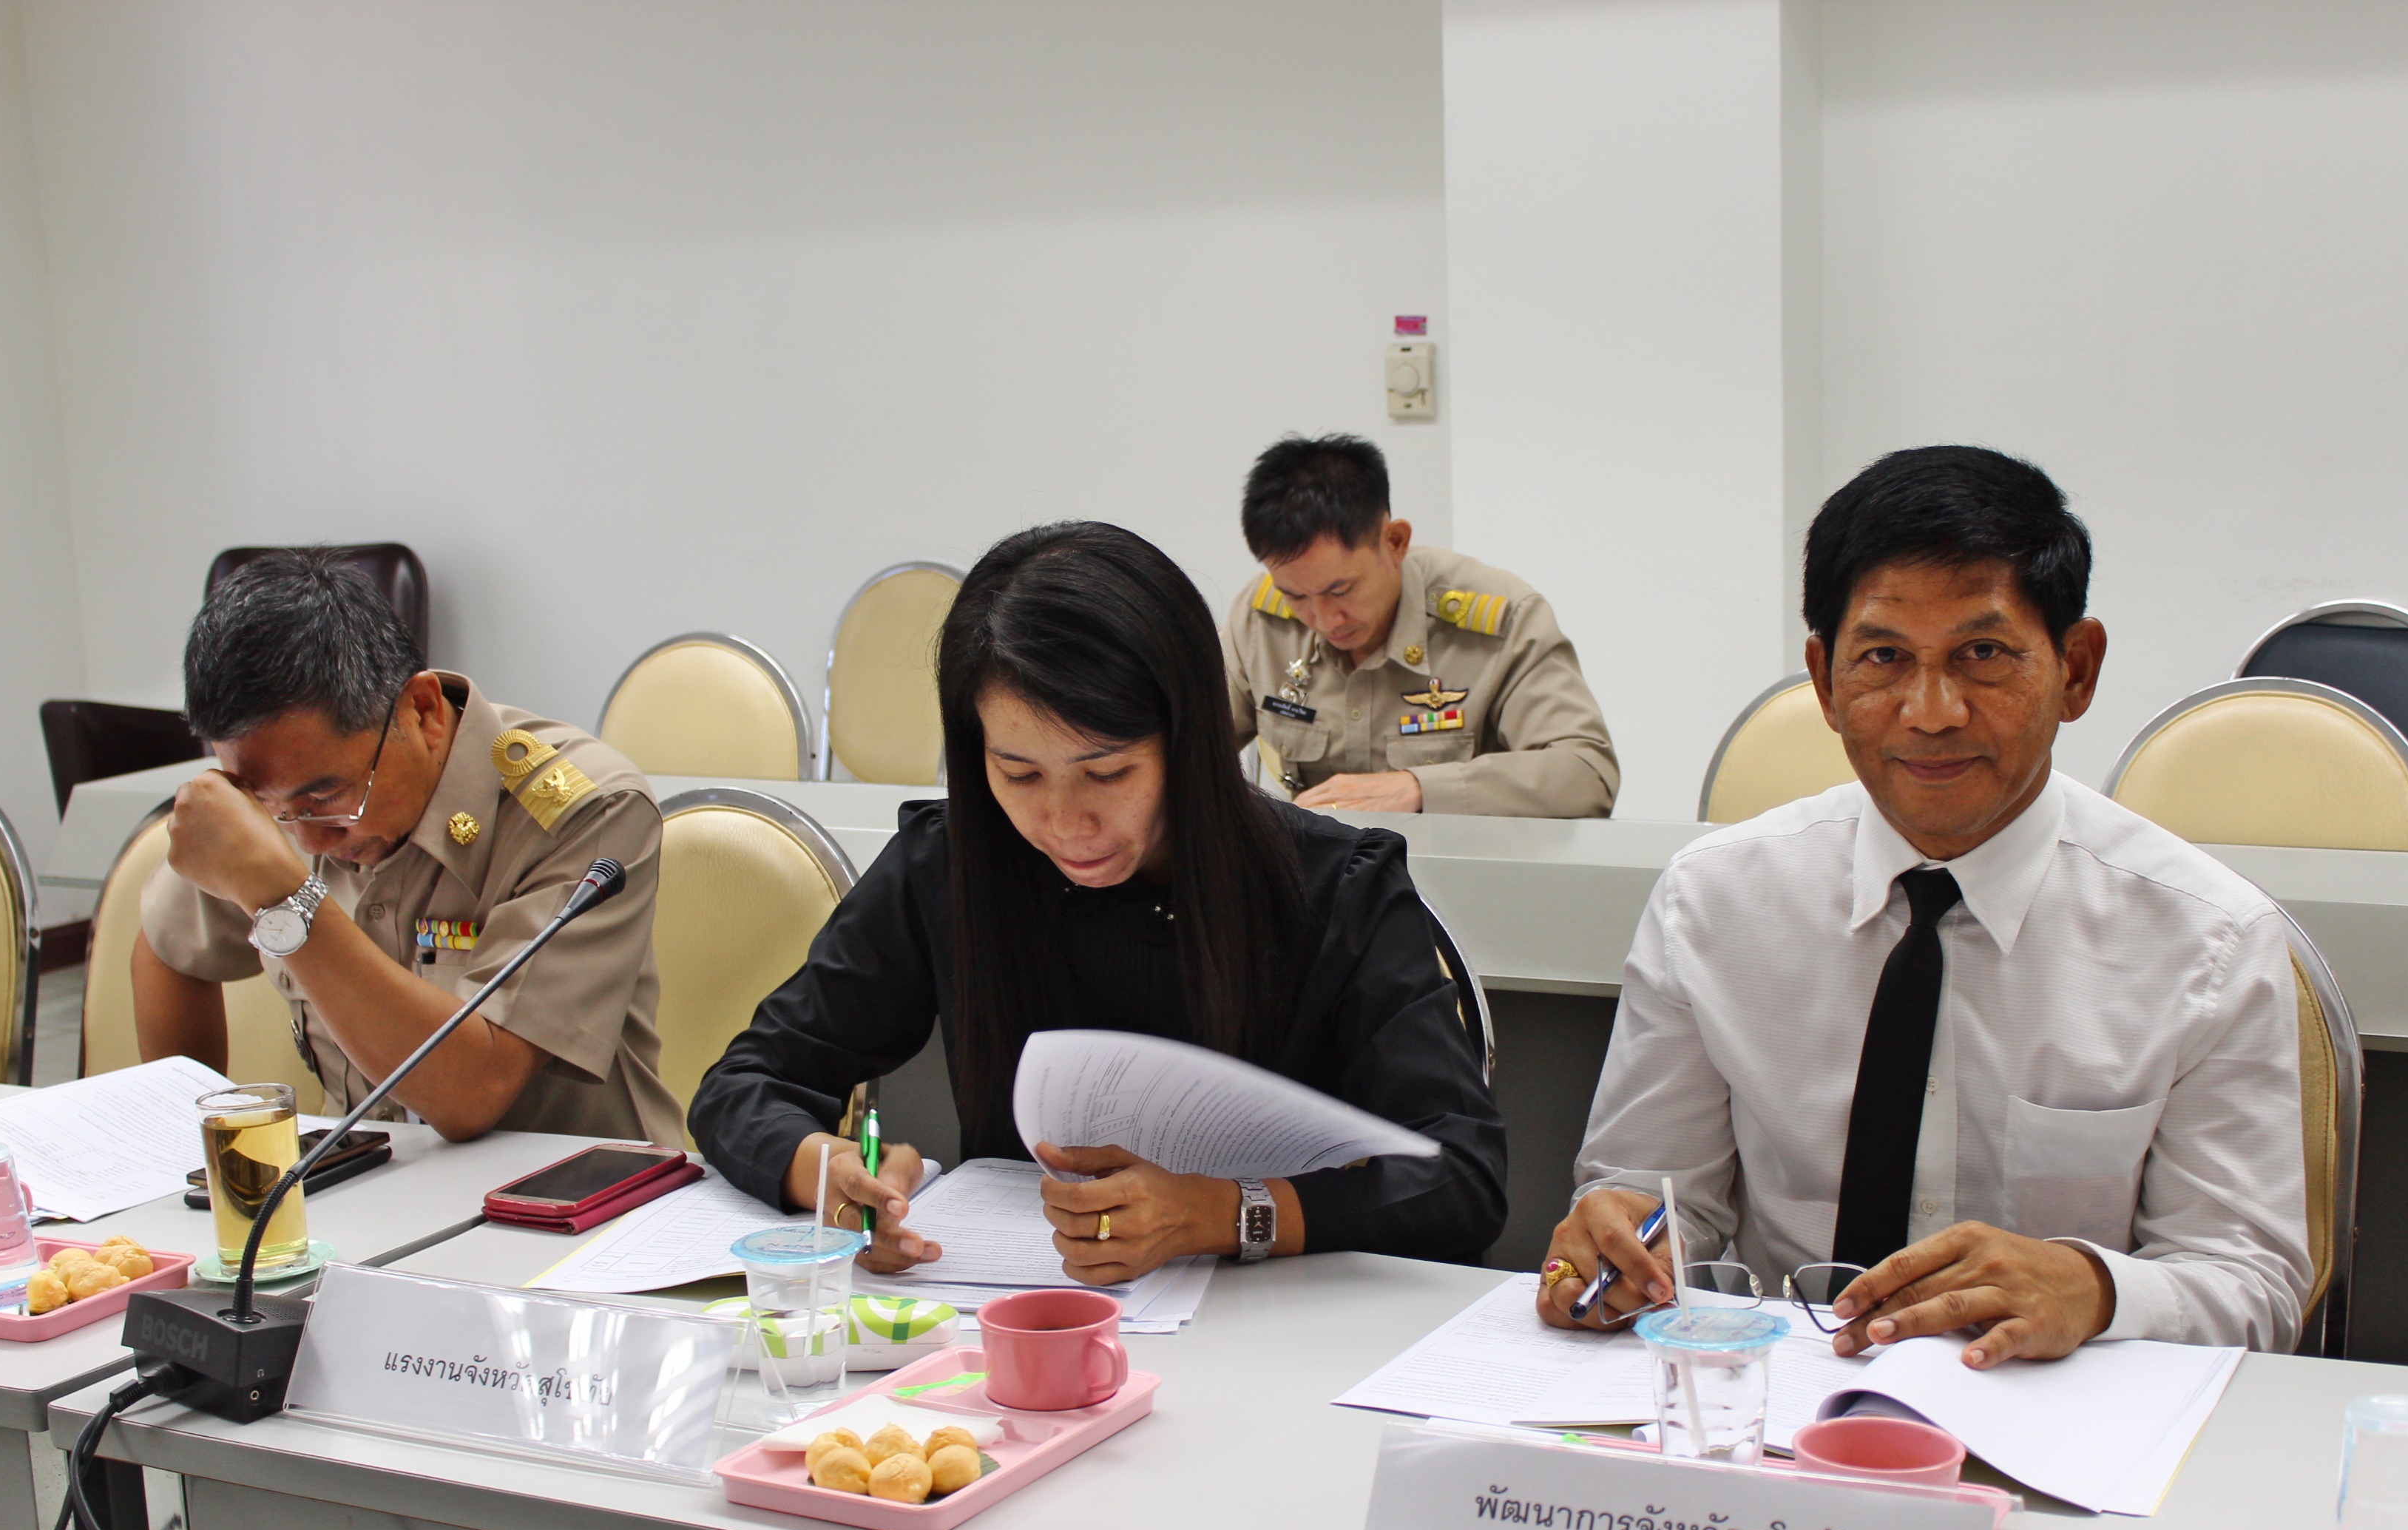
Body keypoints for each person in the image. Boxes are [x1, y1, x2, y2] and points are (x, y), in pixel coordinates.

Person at [1538, 447, 2310, 1361]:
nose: (1932, 711)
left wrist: (2097, 1287)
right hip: (1779, 1399)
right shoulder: (1712, 903)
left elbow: (2251, 1286)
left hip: (2053, 1406)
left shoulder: (2208, 939)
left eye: (1983, 655)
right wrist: (1624, 1241)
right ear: (1825, 681)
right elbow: (1661, 1197)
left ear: (2076, 669)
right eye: (1884, 659)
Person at [689, 521, 1506, 1280]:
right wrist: (824, 1173)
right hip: (1025, 1317)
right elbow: (747, 1081)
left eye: (1108, 773)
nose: (1064, 822)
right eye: (1018, 774)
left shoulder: (1336, 885)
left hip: (1289, 1321)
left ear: (1188, 742)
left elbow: (1462, 1179)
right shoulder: (952, 865)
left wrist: (1226, 1214)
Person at [135, 550, 678, 1144]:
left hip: (571, 1184)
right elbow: (168, 947)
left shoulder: (586, 810)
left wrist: (288, 901)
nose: (309, 838)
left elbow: (476, 1091)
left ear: (423, 712)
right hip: (363, 1174)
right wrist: (200, 1147)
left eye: (328, 796)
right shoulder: (289, 798)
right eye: (270, 805)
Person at [1222, 434, 1617, 819]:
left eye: (1341, 590)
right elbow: (1193, 746)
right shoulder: (1260, 620)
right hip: (1318, 860)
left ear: (1395, 542)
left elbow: (1586, 773)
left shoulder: (1503, 619)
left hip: (1458, 861)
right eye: (1295, 595)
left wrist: (1420, 788)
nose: (1324, 620)